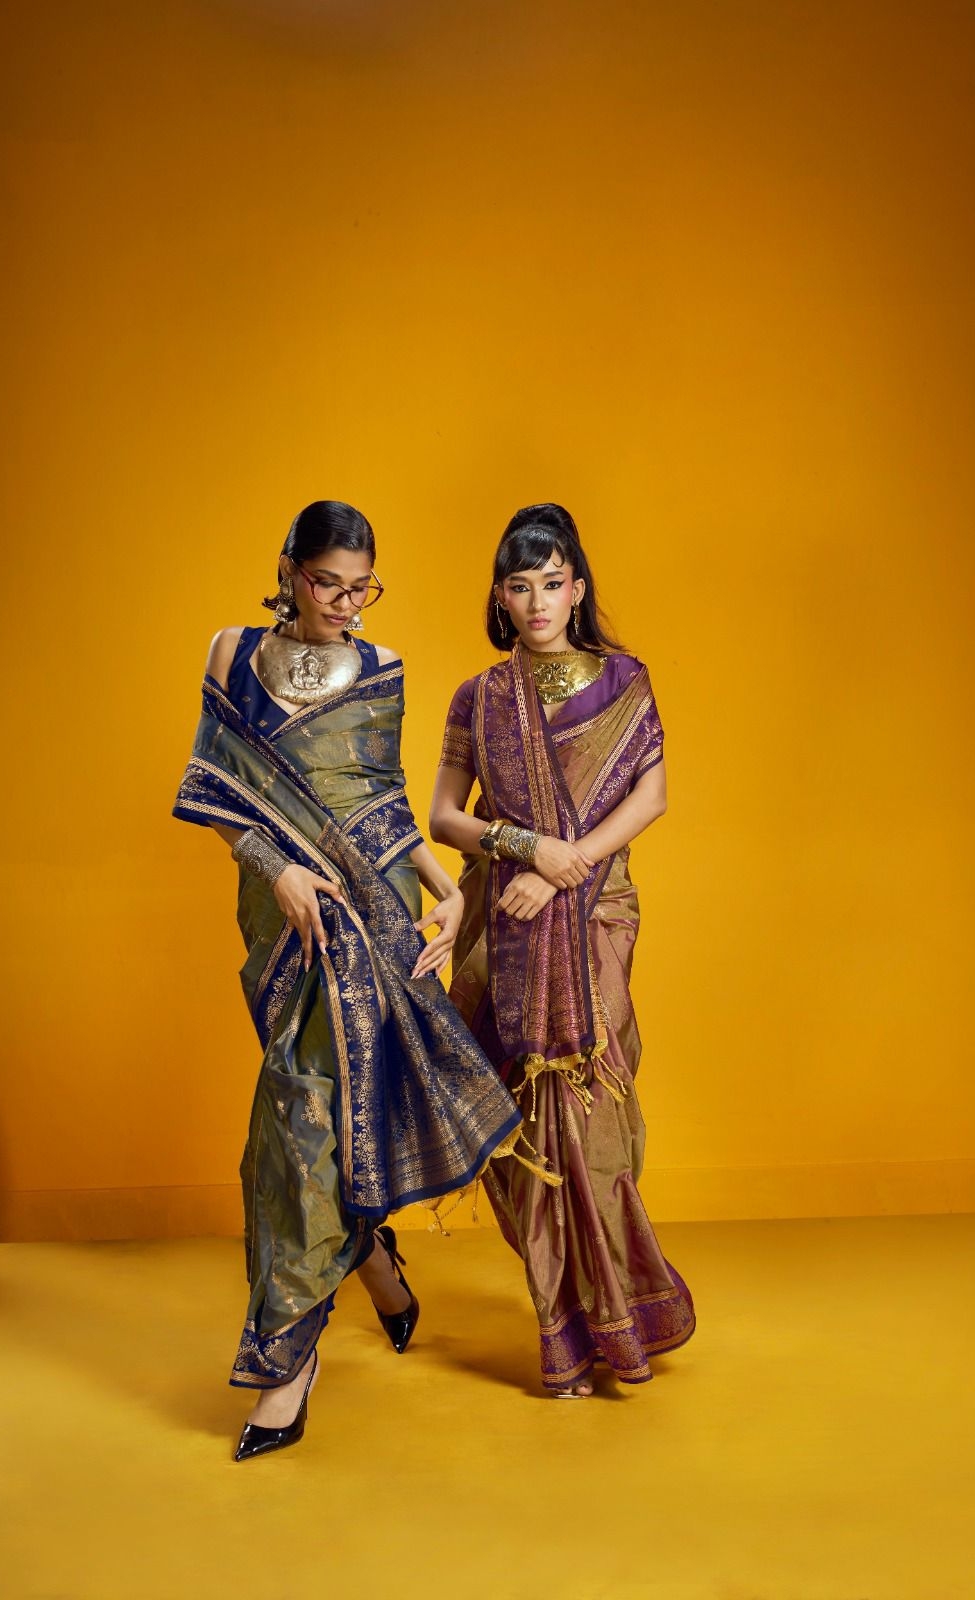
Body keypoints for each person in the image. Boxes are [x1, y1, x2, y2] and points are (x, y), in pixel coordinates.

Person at [174, 499, 527, 1459]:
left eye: (362, 587)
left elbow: (385, 802)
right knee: (310, 1102)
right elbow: (214, 786)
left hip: (369, 914)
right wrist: (275, 869)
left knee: (303, 1115)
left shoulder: (382, 670)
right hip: (282, 914)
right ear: (290, 570)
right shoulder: (230, 653)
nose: (345, 604)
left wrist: (446, 893)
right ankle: (368, 1254)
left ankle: (287, 1369)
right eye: (327, 583)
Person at [430, 503, 696, 1397]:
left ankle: (618, 1312)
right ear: (500, 598)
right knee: (522, 1122)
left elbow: (651, 799)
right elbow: (444, 817)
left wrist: (563, 868)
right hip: (505, 924)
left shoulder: (624, 683)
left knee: (593, 1114)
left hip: (596, 917)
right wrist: (525, 848)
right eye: (520, 586)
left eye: (552, 583)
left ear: (577, 588)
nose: (538, 602)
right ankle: (565, 1333)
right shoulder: (480, 698)